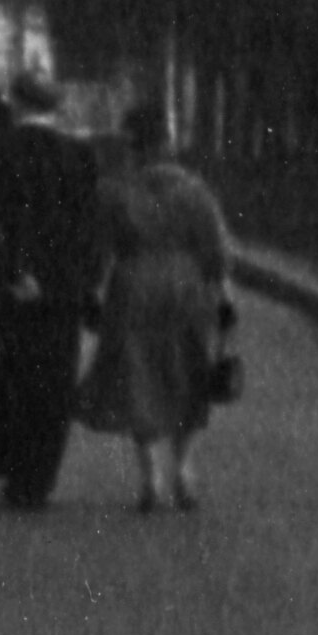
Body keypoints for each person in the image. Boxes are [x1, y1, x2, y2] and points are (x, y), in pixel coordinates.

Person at [79, 97, 238, 514]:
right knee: (188, 371)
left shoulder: (115, 191)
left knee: (140, 375)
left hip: (133, 285)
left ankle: (151, 474)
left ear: (132, 145)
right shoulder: (195, 191)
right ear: (167, 143)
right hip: (187, 286)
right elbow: (217, 250)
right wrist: (224, 294)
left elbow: (99, 250)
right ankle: (183, 467)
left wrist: (91, 290)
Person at [0, 69, 105, 510]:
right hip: (62, 291)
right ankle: (39, 476)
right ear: (55, 106)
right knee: (54, 381)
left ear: (17, 102)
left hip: (5, 288)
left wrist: (16, 273)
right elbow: (90, 229)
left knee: (6, 374)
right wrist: (78, 280)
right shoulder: (80, 155)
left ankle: (8, 459)